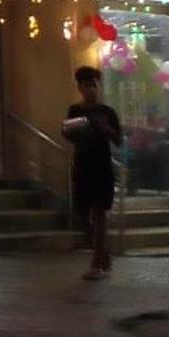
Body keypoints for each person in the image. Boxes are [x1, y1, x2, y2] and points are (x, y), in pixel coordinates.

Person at [64, 64, 122, 280]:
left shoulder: (107, 112)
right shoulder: (75, 111)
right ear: (79, 86)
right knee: (81, 211)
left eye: (95, 84)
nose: (91, 89)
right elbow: (70, 134)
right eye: (87, 85)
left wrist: (105, 128)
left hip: (102, 165)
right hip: (82, 164)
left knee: (99, 213)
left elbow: (118, 139)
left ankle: (97, 261)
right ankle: (102, 252)